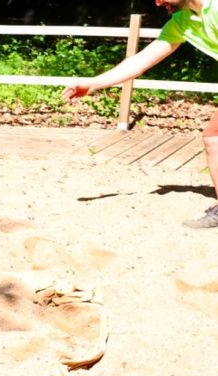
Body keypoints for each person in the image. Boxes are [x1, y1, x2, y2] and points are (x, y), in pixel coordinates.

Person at [62, 0, 218, 228]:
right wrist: (94, 83)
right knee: (214, 138)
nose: (157, 1)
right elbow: (140, 61)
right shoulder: (182, 22)